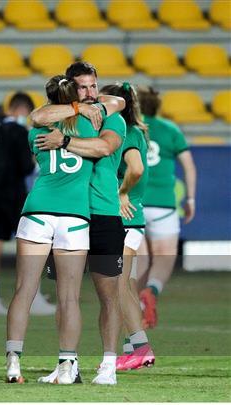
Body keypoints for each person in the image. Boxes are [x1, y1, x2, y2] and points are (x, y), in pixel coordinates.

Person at [31, 62, 127, 385]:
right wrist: (72, 110)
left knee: (108, 295)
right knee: (66, 295)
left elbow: (105, 147)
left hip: (101, 215)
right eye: (82, 87)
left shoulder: (111, 117)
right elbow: (37, 117)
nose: (89, 93)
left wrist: (66, 143)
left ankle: (109, 365)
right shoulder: (65, 116)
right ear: (71, 89)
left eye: (93, 86)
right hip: (68, 214)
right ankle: (67, 364)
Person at [5, 76, 101, 385]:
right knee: (69, 298)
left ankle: (13, 364)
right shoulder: (90, 125)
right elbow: (102, 148)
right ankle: (65, 366)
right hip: (74, 216)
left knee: (23, 291)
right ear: (75, 97)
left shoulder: (37, 129)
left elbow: (39, 117)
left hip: (37, 212)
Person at [0, 92, 53, 316]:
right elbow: (27, 168)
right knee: (29, 247)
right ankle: (34, 298)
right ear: (22, 110)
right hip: (13, 193)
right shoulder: (18, 130)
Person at [99, 83, 155, 371]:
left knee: (117, 284)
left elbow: (136, 168)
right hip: (132, 220)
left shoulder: (127, 132)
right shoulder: (134, 130)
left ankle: (141, 347)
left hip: (126, 218)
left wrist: (121, 193)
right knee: (126, 284)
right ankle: (132, 348)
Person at [135, 86, 197, 329]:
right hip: (163, 205)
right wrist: (190, 199)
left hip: (135, 202)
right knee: (165, 256)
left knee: (140, 260)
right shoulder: (170, 129)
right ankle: (151, 291)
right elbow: (189, 166)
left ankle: (135, 310)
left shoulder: (131, 128)